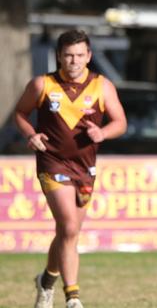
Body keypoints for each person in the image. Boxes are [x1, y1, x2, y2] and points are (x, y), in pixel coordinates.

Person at [14, 30, 127, 308]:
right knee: (68, 223)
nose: (74, 61)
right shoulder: (42, 84)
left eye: (79, 55)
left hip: (85, 167)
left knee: (69, 232)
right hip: (52, 162)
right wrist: (31, 135)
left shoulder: (102, 86)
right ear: (59, 56)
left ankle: (46, 282)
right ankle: (73, 297)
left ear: (88, 56)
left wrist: (103, 133)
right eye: (68, 55)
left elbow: (120, 122)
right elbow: (20, 113)